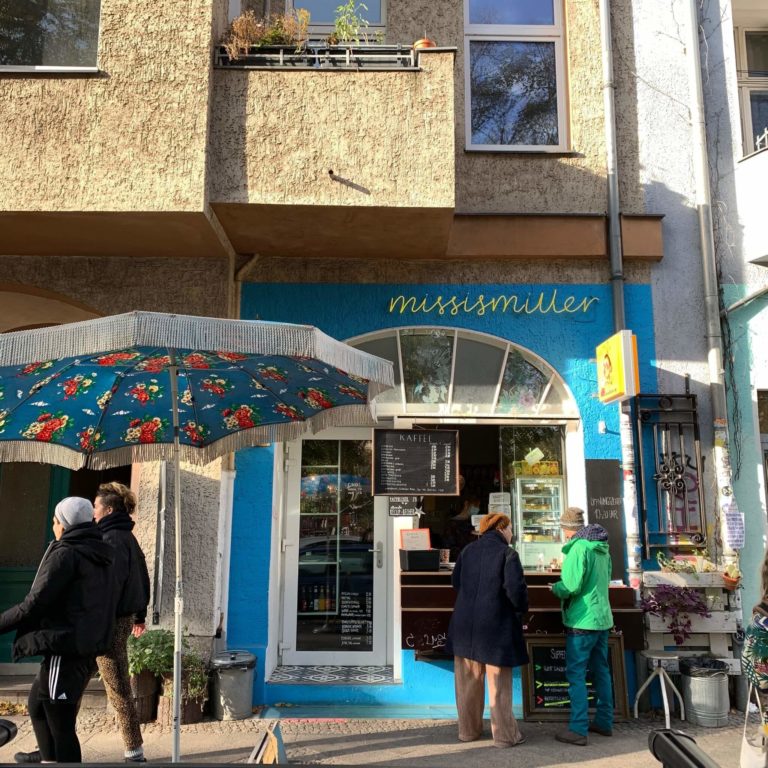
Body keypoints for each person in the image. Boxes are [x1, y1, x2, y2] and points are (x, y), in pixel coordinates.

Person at [0, 497, 115, 764]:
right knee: (37, 706)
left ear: (64, 525)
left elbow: (33, 604)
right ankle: (48, 760)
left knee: (61, 723)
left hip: (65, 646)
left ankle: (59, 760)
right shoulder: (100, 551)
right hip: (83, 643)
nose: (53, 525)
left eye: (55, 521)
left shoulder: (67, 554)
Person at [446, 513, 528, 748]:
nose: (512, 532)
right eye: (511, 527)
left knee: (467, 683)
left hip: (464, 628)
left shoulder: (467, 551)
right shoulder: (508, 554)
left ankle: (468, 732)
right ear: (502, 529)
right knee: (498, 685)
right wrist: (521, 609)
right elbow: (515, 591)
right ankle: (505, 736)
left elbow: (456, 582)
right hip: (496, 627)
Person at [93, 482, 151, 764]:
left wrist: (133, 615)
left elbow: (111, 585)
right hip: (118, 619)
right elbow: (143, 575)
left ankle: (134, 751)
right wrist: (140, 615)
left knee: (118, 687)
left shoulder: (112, 539)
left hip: (110, 622)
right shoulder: (126, 536)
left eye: (96, 507)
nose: (93, 513)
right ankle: (52, 742)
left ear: (109, 509)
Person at [550, 506, 614, 746]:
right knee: (601, 671)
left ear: (567, 530)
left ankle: (578, 728)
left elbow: (571, 586)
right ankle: (604, 721)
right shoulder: (602, 549)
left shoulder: (577, 549)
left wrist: (555, 588)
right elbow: (606, 579)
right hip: (602, 618)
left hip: (581, 620)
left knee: (576, 673)